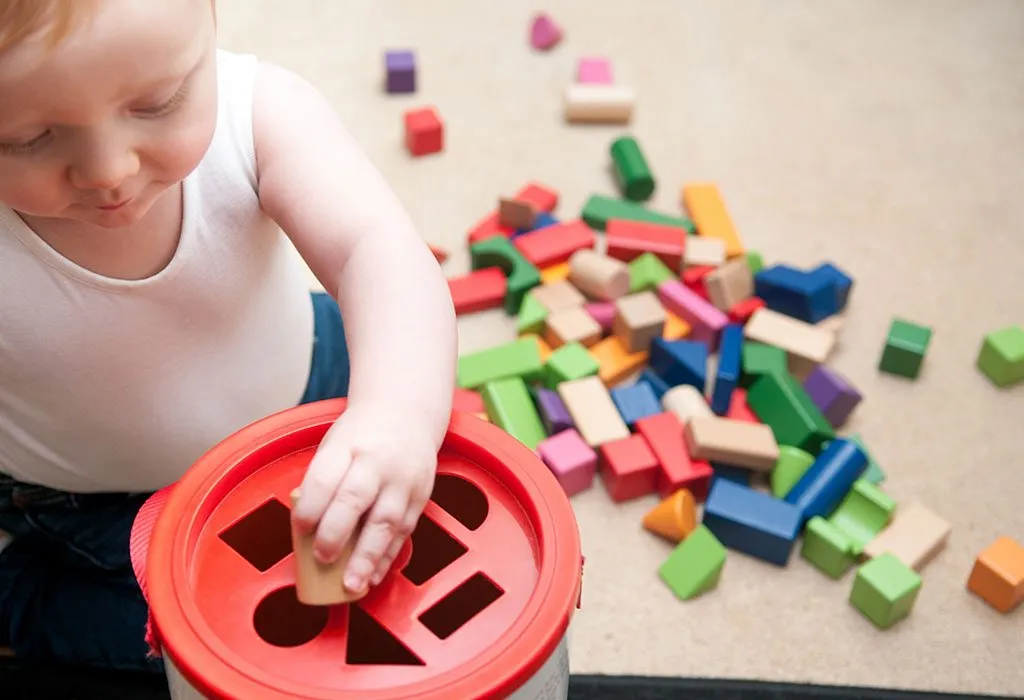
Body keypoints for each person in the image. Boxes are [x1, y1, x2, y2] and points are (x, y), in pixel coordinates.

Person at [0, 0, 457, 672]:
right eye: (28, 139)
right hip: (96, 500)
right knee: (200, 649)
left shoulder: (261, 112)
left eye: (157, 102)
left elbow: (377, 249)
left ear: (210, 20)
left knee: (419, 391)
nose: (108, 171)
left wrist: (396, 416)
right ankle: (21, 589)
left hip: (304, 373)